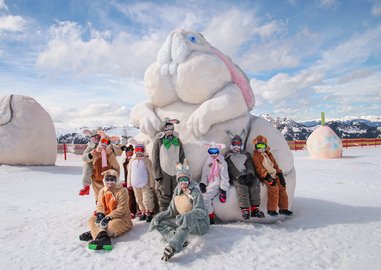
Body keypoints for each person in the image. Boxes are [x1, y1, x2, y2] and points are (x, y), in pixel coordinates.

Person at [149, 159, 209, 261]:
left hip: (200, 224)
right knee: (159, 222)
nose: (184, 182)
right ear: (178, 181)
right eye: (181, 180)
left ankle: (173, 247)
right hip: (183, 221)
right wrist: (159, 217)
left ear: (189, 179)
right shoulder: (177, 193)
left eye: (186, 179)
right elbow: (170, 211)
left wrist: (187, 216)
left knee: (186, 221)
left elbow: (201, 212)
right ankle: (180, 240)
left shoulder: (195, 192)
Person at [79, 169, 133, 250]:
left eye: (112, 180)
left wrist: (108, 218)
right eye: (107, 179)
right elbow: (99, 204)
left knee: (112, 226)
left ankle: (95, 232)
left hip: (121, 219)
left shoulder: (122, 191)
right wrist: (101, 214)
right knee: (92, 219)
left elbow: (121, 209)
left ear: (116, 180)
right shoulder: (102, 191)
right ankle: (103, 237)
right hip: (105, 217)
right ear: (104, 180)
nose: (109, 182)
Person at [225, 130, 264, 220]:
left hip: (246, 174)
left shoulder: (246, 155)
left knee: (255, 183)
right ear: (231, 145)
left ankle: (255, 209)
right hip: (236, 176)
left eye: (238, 145)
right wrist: (239, 176)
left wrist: (250, 174)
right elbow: (231, 168)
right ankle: (245, 209)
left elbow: (249, 165)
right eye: (234, 144)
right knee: (241, 186)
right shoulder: (229, 155)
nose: (236, 147)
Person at [252, 135, 293, 216]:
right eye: (258, 146)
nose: (260, 148)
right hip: (265, 176)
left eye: (262, 145)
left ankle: (283, 208)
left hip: (274, 174)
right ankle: (271, 209)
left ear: (266, 145)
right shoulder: (256, 156)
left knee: (282, 187)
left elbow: (275, 165)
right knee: (274, 188)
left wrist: (280, 174)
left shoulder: (268, 154)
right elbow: (259, 168)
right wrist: (268, 178)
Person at [152, 118, 185, 211]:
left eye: (171, 129)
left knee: (177, 192)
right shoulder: (159, 141)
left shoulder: (177, 141)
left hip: (176, 171)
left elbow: (182, 156)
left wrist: (182, 171)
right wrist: (157, 174)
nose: (169, 131)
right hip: (163, 172)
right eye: (167, 129)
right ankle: (164, 213)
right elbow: (155, 158)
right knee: (164, 193)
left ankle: (175, 212)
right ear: (163, 130)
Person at [199, 142, 230, 224]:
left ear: (219, 151)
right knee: (197, 197)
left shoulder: (222, 162)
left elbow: (224, 176)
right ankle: (201, 216)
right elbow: (204, 174)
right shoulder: (208, 161)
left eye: (215, 152)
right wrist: (203, 183)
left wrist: (223, 189)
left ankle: (210, 217)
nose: (213, 154)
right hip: (208, 184)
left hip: (215, 184)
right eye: (211, 152)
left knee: (205, 199)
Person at [127, 139, 156, 222]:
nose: (139, 152)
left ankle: (149, 212)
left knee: (147, 199)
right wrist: (129, 183)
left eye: (141, 150)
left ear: (144, 150)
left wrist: (151, 183)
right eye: (137, 150)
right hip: (135, 184)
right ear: (135, 151)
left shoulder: (146, 160)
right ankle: (142, 211)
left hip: (145, 183)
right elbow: (129, 173)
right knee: (138, 199)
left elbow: (151, 172)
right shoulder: (132, 161)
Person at [87, 131, 120, 200]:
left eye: (106, 142)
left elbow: (116, 167)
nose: (104, 144)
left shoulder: (110, 154)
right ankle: (99, 209)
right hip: (96, 179)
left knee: (107, 195)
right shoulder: (95, 152)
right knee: (98, 195)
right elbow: (88, 161)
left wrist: (115, 177)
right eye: (103, 141)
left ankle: (108, 208)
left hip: (108, 180)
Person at [79, 128, 101, 195]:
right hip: (93, 163)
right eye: (94, 138)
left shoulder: (105, 143)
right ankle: (86, 186)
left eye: (97, 137)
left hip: (103, 163)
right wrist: (90, 155)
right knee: (87, 167)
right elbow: (84, 157)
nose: (96, 139)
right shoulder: (91, 146)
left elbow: (113, 151)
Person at [121, 144, 138, 219]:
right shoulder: (125, 164)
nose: (130, 157)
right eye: (128, 155)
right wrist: (126, 181)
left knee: (138, 196)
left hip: (136, 181)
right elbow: (126, 174)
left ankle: (140, 210)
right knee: (131, 198)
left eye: (131, 155)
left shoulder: (136, 161)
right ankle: (132, 211)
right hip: (129, 182)